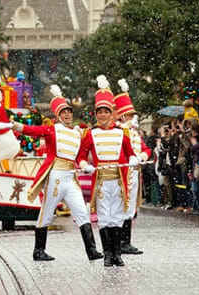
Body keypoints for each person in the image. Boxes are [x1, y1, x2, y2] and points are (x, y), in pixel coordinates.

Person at [11, 84, 102, 263]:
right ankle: (38, 251)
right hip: (56, 177)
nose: (68, 114)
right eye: (63, 112)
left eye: (69, 111)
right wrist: (13, 125)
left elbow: (81, 155)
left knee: (82, 213)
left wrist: (85, 164)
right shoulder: (52, 129)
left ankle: (91, 250)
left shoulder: (78, 133)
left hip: (70, 177)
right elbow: (33, 131)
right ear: (58, 115)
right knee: (46, 213)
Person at [80, 76, 138, 267]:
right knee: (105, 217)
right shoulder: (91, 133)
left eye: (106, 112)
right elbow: (81, 156)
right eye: (100, 112)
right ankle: (107, 254)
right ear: (96, 115)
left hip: (119, 180)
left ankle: (117, 253)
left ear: (112, 114)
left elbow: (130, 153)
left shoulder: (122, 133)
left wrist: (132, 160)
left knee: (118, 215)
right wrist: (84, 165)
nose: (103, 115)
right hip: (102, 181)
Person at [114, 79, 150, 255]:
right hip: (123, 171)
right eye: (129, 115)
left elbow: (145, 149)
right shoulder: (119, 131)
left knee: (130, 208)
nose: (133, 118)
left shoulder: (134, 132)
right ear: (122, 116)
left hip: (135, 172)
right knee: (123, 205)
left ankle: (125, 241)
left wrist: (142, 156)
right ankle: (120, 242)